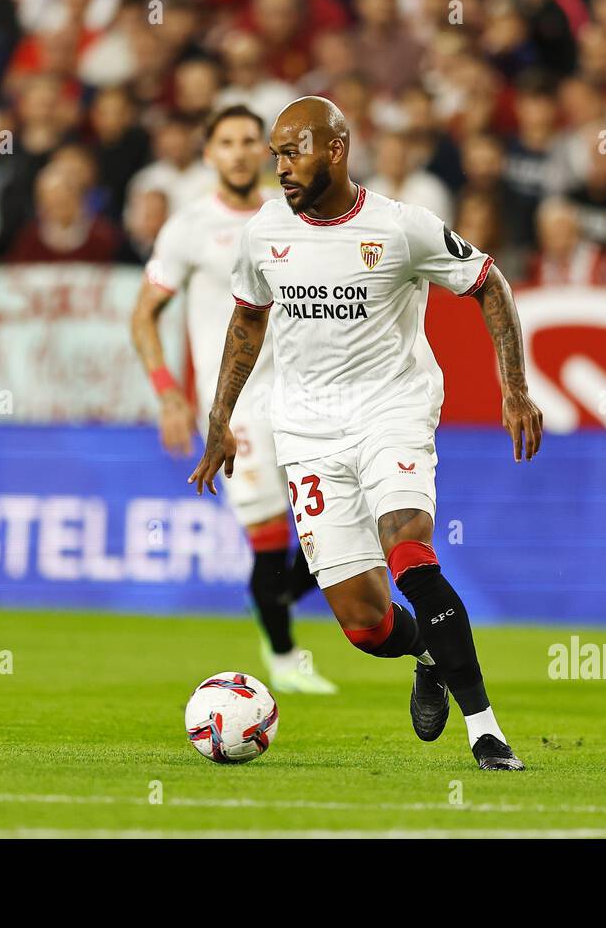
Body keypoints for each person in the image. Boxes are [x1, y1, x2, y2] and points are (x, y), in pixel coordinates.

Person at [189, 97, 543, 770]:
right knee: (364, 624)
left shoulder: (402, 228)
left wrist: (514, 387)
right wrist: (220, 417)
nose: (281, 168)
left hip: (392, 411)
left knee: (407, 544)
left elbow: (487, 284)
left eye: (294, 153)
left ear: (337, 149)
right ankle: (428, 653)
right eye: (276, 156)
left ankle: (486, 731)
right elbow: (247, 323)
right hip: (306, 431)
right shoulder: (265, 232)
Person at [131, 105, 337, 695]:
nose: (242, 152)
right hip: (237, 404)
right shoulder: (189, 226)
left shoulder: (300, 218)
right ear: (209, 155)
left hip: (310, 393)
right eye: (227, 142)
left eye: (253, 140)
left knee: (340, 529)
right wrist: (169, 395)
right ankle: (284, 657)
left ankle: (269, 606)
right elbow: (143, 314)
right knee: (270, 535)